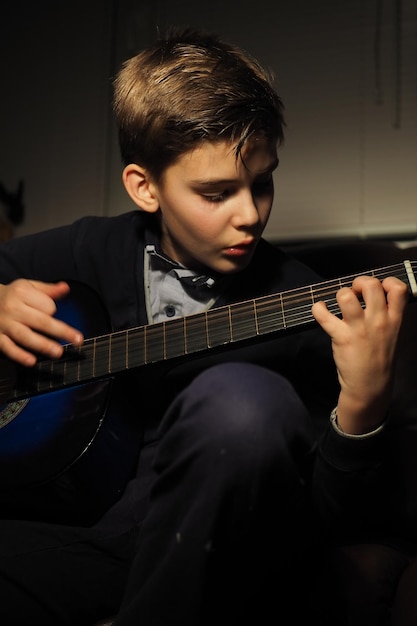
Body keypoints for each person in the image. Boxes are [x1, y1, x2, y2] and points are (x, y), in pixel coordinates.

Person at [0, 27, 408, 626]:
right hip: (78, 536)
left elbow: (335, 518)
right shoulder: (89, 249)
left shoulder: (307, 309)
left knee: (244, 400)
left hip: (223, 547)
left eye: (262, 182)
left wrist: (364, 408)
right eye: (216, 193)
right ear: (145, 187)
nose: (250, 214)